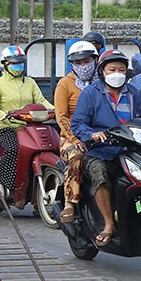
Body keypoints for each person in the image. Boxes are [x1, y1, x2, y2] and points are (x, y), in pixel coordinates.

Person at [71, 47, 141, 247]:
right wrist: (92, 134)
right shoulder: (91, 94)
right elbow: (78, 123)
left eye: (121, 69)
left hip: (130, 149)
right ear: (102, 72)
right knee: (99, 175)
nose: (117, 73)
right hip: (102, 151)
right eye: (112, 69)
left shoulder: (133, 93)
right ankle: (109, 224)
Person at [0, 45, 47, 199]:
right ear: (5, 64)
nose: (18, 66)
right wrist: (1, 114)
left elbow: (41, 101)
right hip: (8, 127)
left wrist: (56, 110)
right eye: (13, 63)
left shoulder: (30, 83)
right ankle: (2, 183)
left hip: (29, 127)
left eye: (20, 63)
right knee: (13, 149)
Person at [53, 40, 99, 221]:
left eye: (86, 61)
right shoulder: (65, 84)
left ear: (95, 61)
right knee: (76, 157)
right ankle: (70, 203)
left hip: (98, 136)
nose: (83, 66)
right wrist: (75, 139)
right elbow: (62, 117)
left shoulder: (101, 83)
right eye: (78, 63)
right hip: (71, 139)